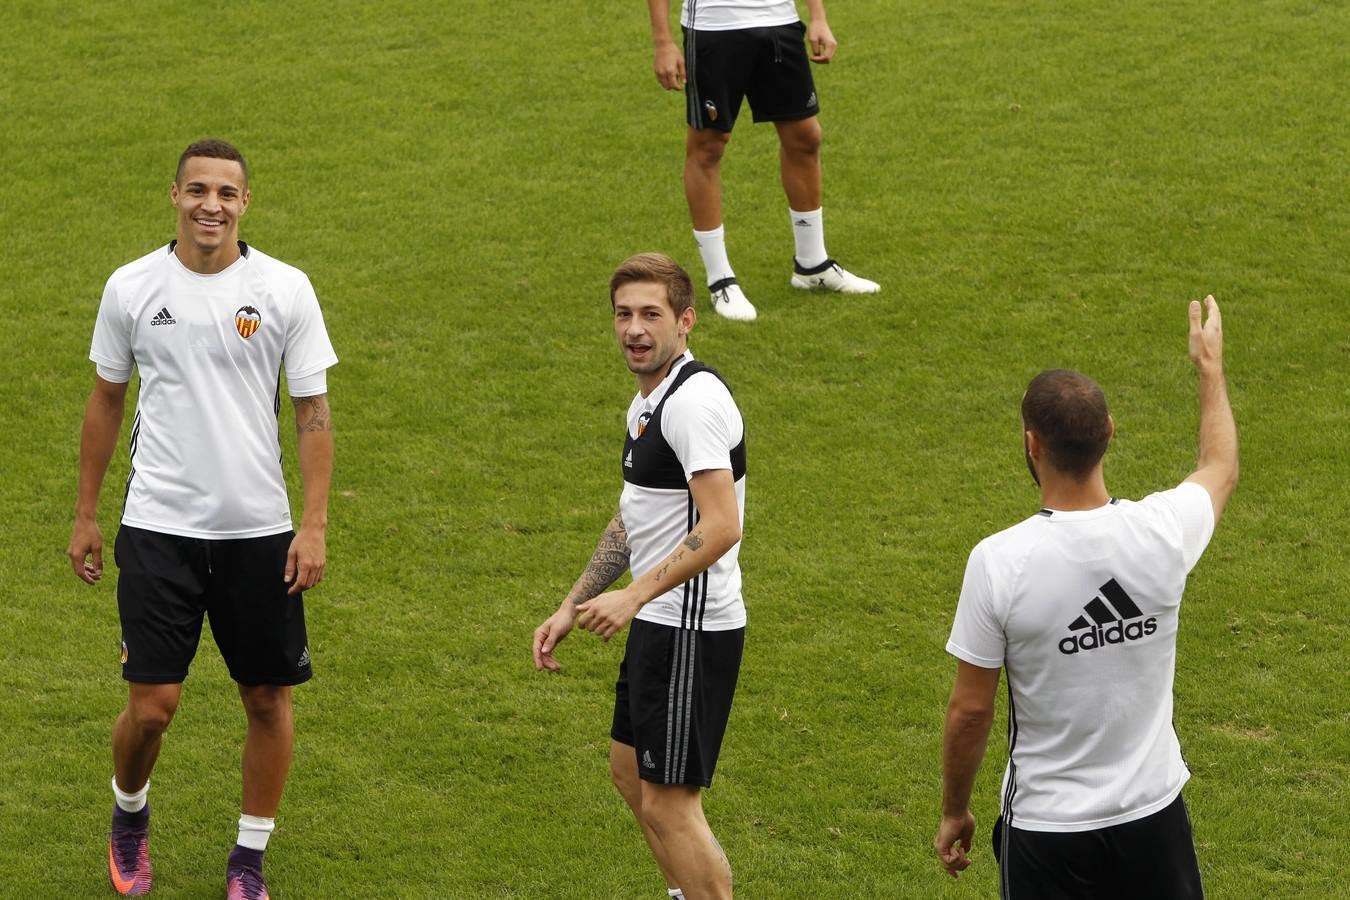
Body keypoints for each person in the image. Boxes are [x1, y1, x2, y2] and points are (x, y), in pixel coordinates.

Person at [67, 139, 338, 899]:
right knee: (152, 709)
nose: (210, 205)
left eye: (226, 192)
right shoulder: (132, 287)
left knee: (266, 698)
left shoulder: (285, 289)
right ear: (175, 196)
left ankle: (248, 859)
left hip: (259, 533)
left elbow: (313, 415)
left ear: (246, 202)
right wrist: (87, 515)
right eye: (197, 191)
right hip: (158, 528)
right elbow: (106, 399)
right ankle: (129, 813)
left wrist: (312, 525)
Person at [932, 296, 1238, 897]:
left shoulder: (999, 561)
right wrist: (1210, 370)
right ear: (1110, 435)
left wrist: (955, 810)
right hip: (1155, 817)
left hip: (1049, 830)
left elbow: (971, 711)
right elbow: (1220, 466)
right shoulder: (1164, 532)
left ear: (1032, 444)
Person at [533, 253, 747, 899]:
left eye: (651, 314)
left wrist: (633, 594)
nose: (634, 328)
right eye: (623, 314)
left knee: (669, 806)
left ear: (686, 321)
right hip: (656, 620)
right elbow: (634, 519)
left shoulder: (694, 404)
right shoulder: (649, 399)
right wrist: (575, 602)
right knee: (630, 777)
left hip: (688, 627)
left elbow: (722, 523)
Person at [648, 0, 880, 322]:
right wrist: (663, 41)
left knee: (805, 138)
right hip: (714, 27)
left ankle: (812, 265)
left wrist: (818, 16)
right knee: (708, 148)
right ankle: (721, 280)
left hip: (780, 22)